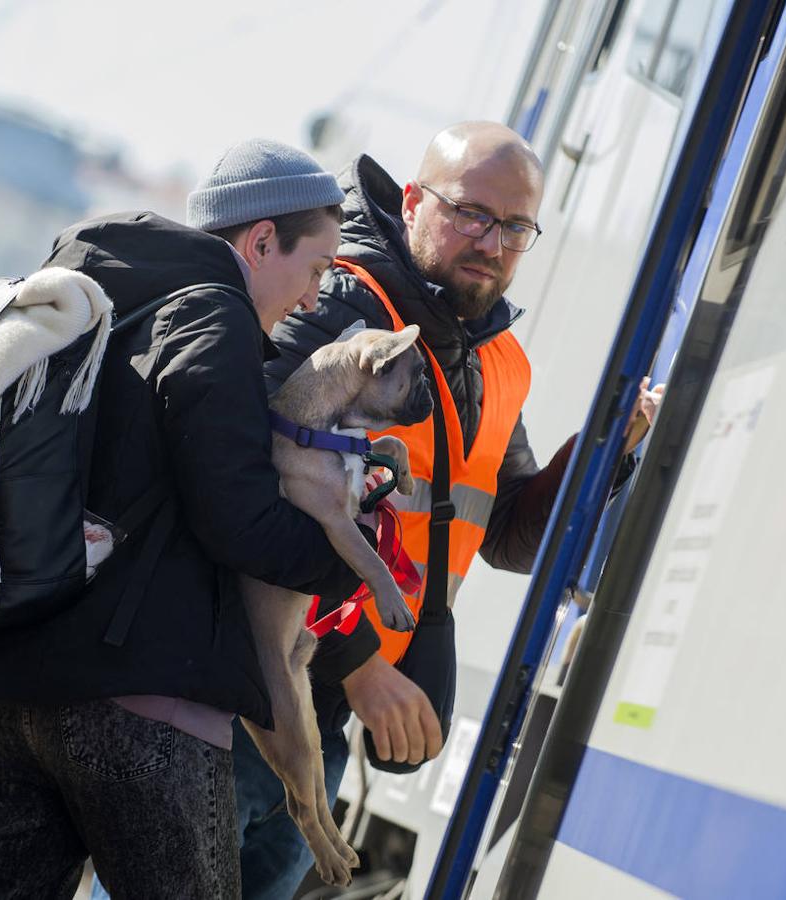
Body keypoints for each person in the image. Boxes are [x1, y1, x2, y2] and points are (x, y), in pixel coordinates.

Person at [0, 139, 374, 900]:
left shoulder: (92, 292)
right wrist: (346, 556)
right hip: (140, 705)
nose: (312, 298)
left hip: (10, 683)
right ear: (260, 240)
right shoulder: (213, 315)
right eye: (313, 270)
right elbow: (235, 516)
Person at [235, 121, 661, 897]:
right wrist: (359, 662)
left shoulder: (494, 360)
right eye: (469, 213)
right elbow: (249, 495)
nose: (490, 242)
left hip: (318, 717)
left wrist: (603, 451)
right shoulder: (339, 310)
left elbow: (507, 536)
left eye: (513, 227)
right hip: (242, 701)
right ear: (410, 202)